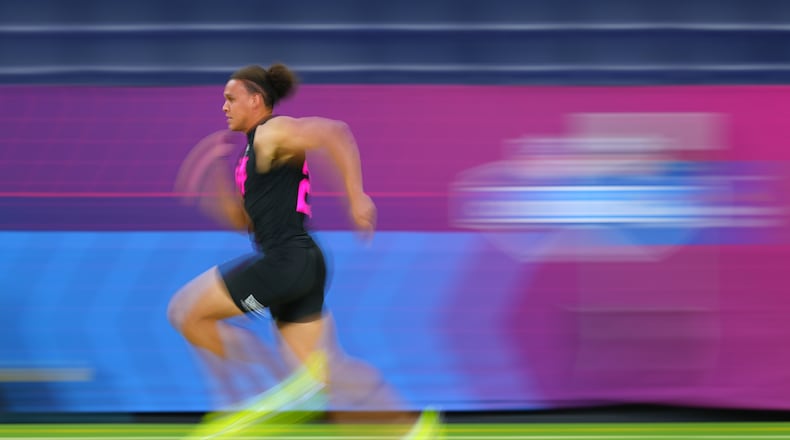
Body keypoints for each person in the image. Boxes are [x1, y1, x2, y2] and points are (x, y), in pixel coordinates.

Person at [168, 64, 440, 439]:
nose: (224, 107)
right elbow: (244, 221)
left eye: (231, 98)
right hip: (302, 262)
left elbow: (333, 132)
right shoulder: (251, 154)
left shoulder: (272, 131)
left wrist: (356, 195)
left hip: (287, 260)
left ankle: (263, 394)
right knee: (328, 371)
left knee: (187, 312)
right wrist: (212, 180)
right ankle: (412, 429)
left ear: (256, 99)